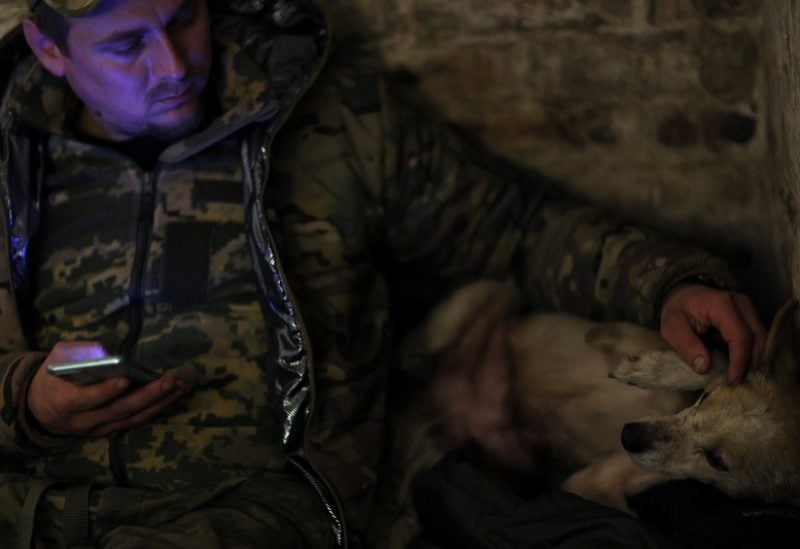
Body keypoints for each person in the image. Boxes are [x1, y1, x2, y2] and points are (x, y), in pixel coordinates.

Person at [0, 0, 766, 547]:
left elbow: (516, 227)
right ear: (48, 48)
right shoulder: (11, 159)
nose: (171, 66)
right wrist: (20, 392)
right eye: (127, 45)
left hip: (254, 507)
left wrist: (668, 282)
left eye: (183, 21)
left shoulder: (329, 124)